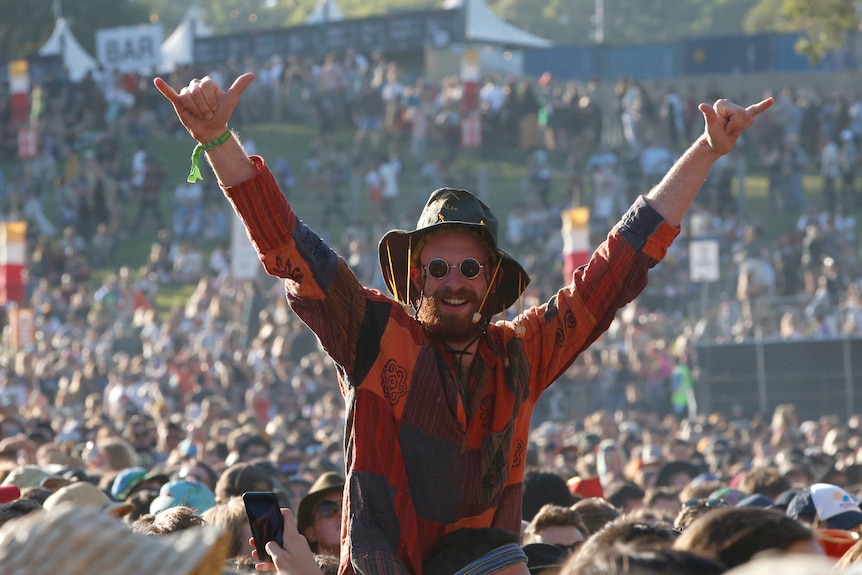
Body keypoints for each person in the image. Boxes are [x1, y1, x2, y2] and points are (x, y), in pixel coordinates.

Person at [154, 72, 772, 575]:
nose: (455, 281)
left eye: (471, 268)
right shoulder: (376, 336)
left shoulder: (521, 355)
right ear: (416, 273)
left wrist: (707, 151)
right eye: (440, 266)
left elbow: (616, 268)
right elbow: (290, 249)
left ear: (490, 279)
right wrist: (217, 139)